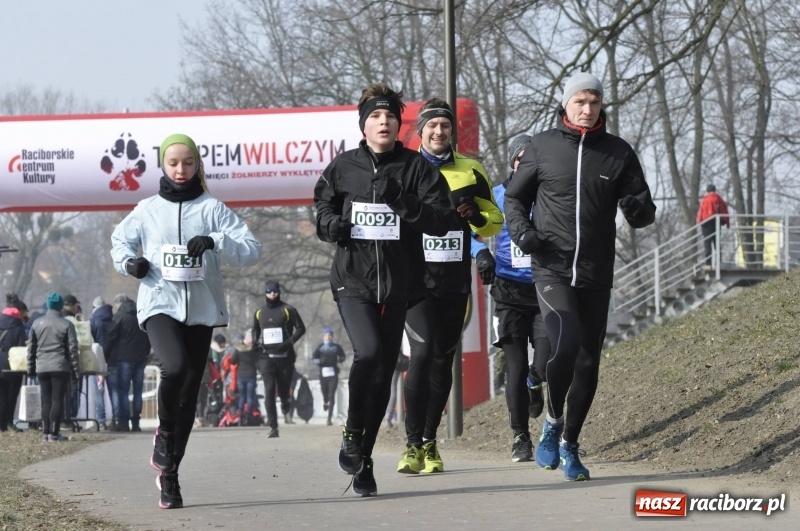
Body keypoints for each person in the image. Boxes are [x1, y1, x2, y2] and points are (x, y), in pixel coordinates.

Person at [504, 72, 656, 481]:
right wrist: (522, 232)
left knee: (589, 361)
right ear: (566, 104)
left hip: (595, 270)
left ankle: (570, 442)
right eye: (579, 102)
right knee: (564, 342)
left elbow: (643, 208)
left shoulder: (618, 152)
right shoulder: (542, 147)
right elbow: (514, 197)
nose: (587, 110)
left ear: (601, 105)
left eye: (594, 102)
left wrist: (638, 209)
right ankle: (551, 424)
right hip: (551, 266)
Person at [313, 82, 453, 497]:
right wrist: (329, 225)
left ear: (399, 124)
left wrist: (400, 199)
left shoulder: (415, 168)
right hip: (352, 280)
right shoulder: (344, 166)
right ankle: (353, 432)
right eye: (375, 116)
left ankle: (365, 458)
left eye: (390, 116)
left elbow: (440, 220)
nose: (384, 122)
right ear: (364, 124)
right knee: (369, 353)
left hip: (399, 285)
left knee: (381, 375)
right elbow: (322, 206)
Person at [110, 133, 261, 509]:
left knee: (190, 392)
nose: (181, 170)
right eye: (174, 163)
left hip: (201, 311)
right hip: (159, 302)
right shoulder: (146, 209)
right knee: (173, 367)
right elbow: (119, 243)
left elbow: (251, 250)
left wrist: (215, 242)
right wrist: (132, 264)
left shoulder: (213, 208)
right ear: (163, 165)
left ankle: (170, 475)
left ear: (198, 165)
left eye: (188, 163)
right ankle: (163, 434)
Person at [399, 97, 503, 475]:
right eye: (432, 126)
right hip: (414, 282)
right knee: (421, 355)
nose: (440, 131)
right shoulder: (405, 170)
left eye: (445, 126)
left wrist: (477, 217)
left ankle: (430, 441)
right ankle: (411, 445)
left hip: (454, 281)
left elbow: (495, 220)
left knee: (444, 360)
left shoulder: (471, 169)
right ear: (421, 132)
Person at [471, 134, 551, 464]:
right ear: (512, 162)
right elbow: (471, 235)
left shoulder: (549, 194)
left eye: (531, 158)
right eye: (521, 158)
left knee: (545, 362)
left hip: (545, 288)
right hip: (507, 291)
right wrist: (481, 256)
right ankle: (520, 437)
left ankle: (537, 381)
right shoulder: (496, 195)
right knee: (514, 368)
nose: (525, 164)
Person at [253, 280, 306, 437]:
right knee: (269, 390)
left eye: (275, 291)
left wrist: (288, 343)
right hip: (266, 357)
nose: (272, 294)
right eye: (269, 292)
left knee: (283, 390)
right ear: (265, 293)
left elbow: (301, 328)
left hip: (285, 357)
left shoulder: (288, 310)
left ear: (279, 292)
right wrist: (256, 343)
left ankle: (285, 401)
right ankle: (273, 427)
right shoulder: (259, 312)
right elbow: (255, 330)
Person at [27, 292, 80, 442]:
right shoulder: (67, 324)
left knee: (46, 400)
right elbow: (73, 350)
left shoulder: (37, 323)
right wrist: (76, 371)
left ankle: (45, 433)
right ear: (60, 306)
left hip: (42, 366)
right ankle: (54, 433)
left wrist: (30, 369)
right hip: (60, 366)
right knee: (57, 400)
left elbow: (31, 348)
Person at [105, 298, 151, 432]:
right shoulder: (141, 315)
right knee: (138, 392)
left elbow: (111, 336)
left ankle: (123, 422)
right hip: (141, 358)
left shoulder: (121, 316)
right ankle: (136, 422)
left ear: (120, 305)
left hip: (124, 358)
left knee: (123, 391)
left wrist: (106, 356)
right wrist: (146, 353)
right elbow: (149, 336)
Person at [1, 294, 28, 432]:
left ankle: (2, 425)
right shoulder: (18, 324)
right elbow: (21, 347)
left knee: (1, 394)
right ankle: (9, 423)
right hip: (13, 365)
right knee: (11, 395)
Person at [311, 327, 346, 426]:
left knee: (332, 394)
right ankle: (325, 401)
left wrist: (340, 360)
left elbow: (343, 356)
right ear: (323, 336)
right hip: (323, 373)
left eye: (330, 335)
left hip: (333, 373)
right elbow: (313, 358)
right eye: (326, 335)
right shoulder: (320, 347)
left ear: (332, 336)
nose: (328, 337)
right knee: (325, 393)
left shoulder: (336, 347)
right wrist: (319, 361)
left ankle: (329, 418)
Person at [90, 296, 114, 430]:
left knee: (98, 392)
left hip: (98, 360)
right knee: (114, 392)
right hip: (112, 360)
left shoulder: (94, 321)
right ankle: (117, 420)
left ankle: (101, 420)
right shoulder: (113, 319)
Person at [696, 184, 730, 267]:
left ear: (707, 191)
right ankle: (719, 263)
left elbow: (701, 212)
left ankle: (708, 263)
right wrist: (727, 222)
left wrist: (699, 221)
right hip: (717, 223)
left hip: (707, 224)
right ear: (715, 190)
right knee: (716, 243)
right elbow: (725, 211)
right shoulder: (719, 199)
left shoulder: (705, 200)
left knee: (707, 244)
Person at [230, 331, 258, 426]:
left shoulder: (239, 349)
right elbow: (258, 360)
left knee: (242, 397)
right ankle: (248, 417)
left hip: (241, 375)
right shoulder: (254, 349)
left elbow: (233, 361)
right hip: (251, 375)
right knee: (250, 397)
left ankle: (240, 417)